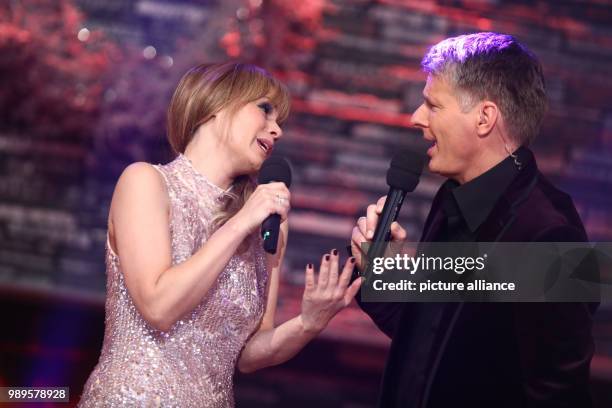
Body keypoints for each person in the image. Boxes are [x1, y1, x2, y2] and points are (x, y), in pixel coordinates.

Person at [79, 62, 361, 407]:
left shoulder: (267, 222)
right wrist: (240, 223)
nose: (277, 131)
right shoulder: (146, 183)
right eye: (265, 110)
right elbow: (158, 306)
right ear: (216, 104)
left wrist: (308, 323)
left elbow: (249, 354)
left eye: (280, 123)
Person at [351, 32, 597, 407]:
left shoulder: (549, 234)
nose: (417, 118)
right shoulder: (453, 195)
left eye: (433, 105)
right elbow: (430, 345)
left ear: (484, 118)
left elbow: (559, 395)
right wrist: (380, 276)